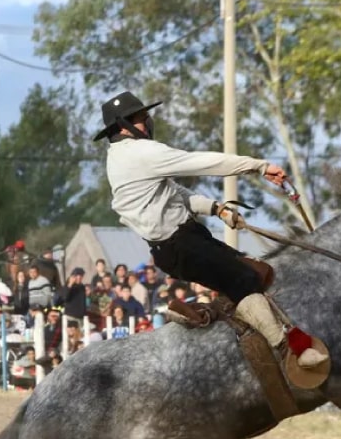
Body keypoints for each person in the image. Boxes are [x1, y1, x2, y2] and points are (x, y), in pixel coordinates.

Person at [93, 91, 328, 369]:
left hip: (182, 242)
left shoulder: (119, 157)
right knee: (245, 279)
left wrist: (217, 209)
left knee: (256, 270)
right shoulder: (141, 152)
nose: (148, 122)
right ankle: (291, 354)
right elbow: (205, 162)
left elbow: (174, 194)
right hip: (182, 245)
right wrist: (259, 166)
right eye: (142, 118)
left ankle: (213, 317)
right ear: (124, 126)